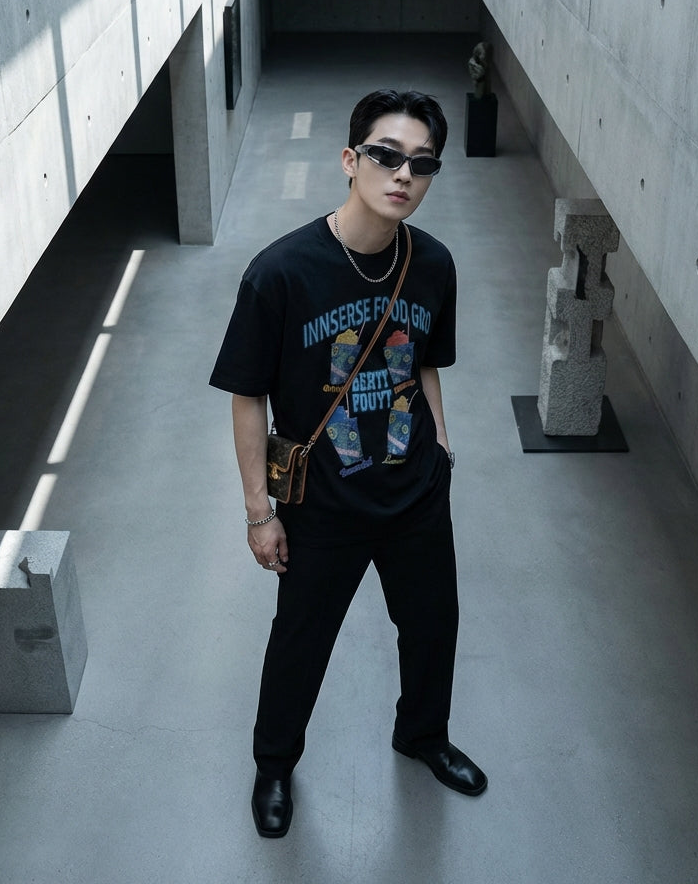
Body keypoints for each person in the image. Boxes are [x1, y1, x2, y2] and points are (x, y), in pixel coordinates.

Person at [210, 88, 487, 839]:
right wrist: (259, 512)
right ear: (349, 159)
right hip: (324, 505)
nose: (404, 174)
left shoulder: (433, 264)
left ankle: (423, 735)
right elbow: (247, 397)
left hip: (415, 491)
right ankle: (274, 764)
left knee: (433, 626)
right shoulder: (281, 273)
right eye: (387, 155)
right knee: (301, 641)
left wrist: (442, 445)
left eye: (422, 163)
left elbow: (425, 363)